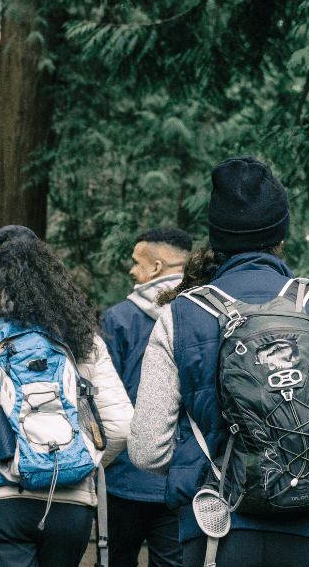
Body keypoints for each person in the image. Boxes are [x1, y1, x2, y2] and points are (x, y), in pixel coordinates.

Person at [128, 155, 309, 567]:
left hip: (218, 533)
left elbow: (148, 450)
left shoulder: (180, 317)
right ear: (281, 234)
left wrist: (218, 469)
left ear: (216, 236)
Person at [0, 225, 134, 567]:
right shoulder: (82, 338)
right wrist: (76, 466)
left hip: (0, 501)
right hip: (72, 505)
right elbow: (121, 428)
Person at [102, 228, 192, 567]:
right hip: (181, 472)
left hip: (123, 473)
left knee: (116, 560)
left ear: (155, 267)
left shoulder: (118, 319)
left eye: (136, 262)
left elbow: (99, 400)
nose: (131, 271)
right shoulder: (203, 316)